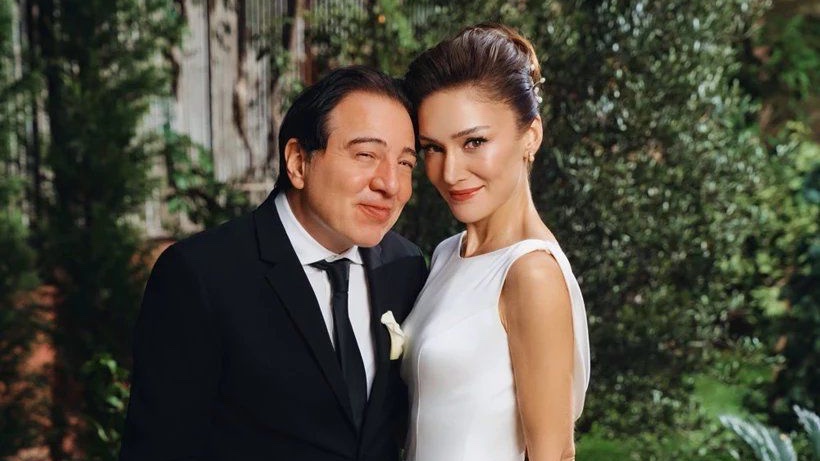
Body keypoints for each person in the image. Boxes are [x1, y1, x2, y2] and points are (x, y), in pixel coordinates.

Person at [119, 66, 427, 461]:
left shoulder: (403, 267)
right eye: (366, 155)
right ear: (298, 162)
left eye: (405, 164)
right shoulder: (201, 275)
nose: (391, 184)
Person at [399, 23, 591, 461]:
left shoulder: (532, 274)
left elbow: (555, 454)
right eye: (433, 148)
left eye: (474, 142)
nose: (449, 173)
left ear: (531, 136)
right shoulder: (448, 253)